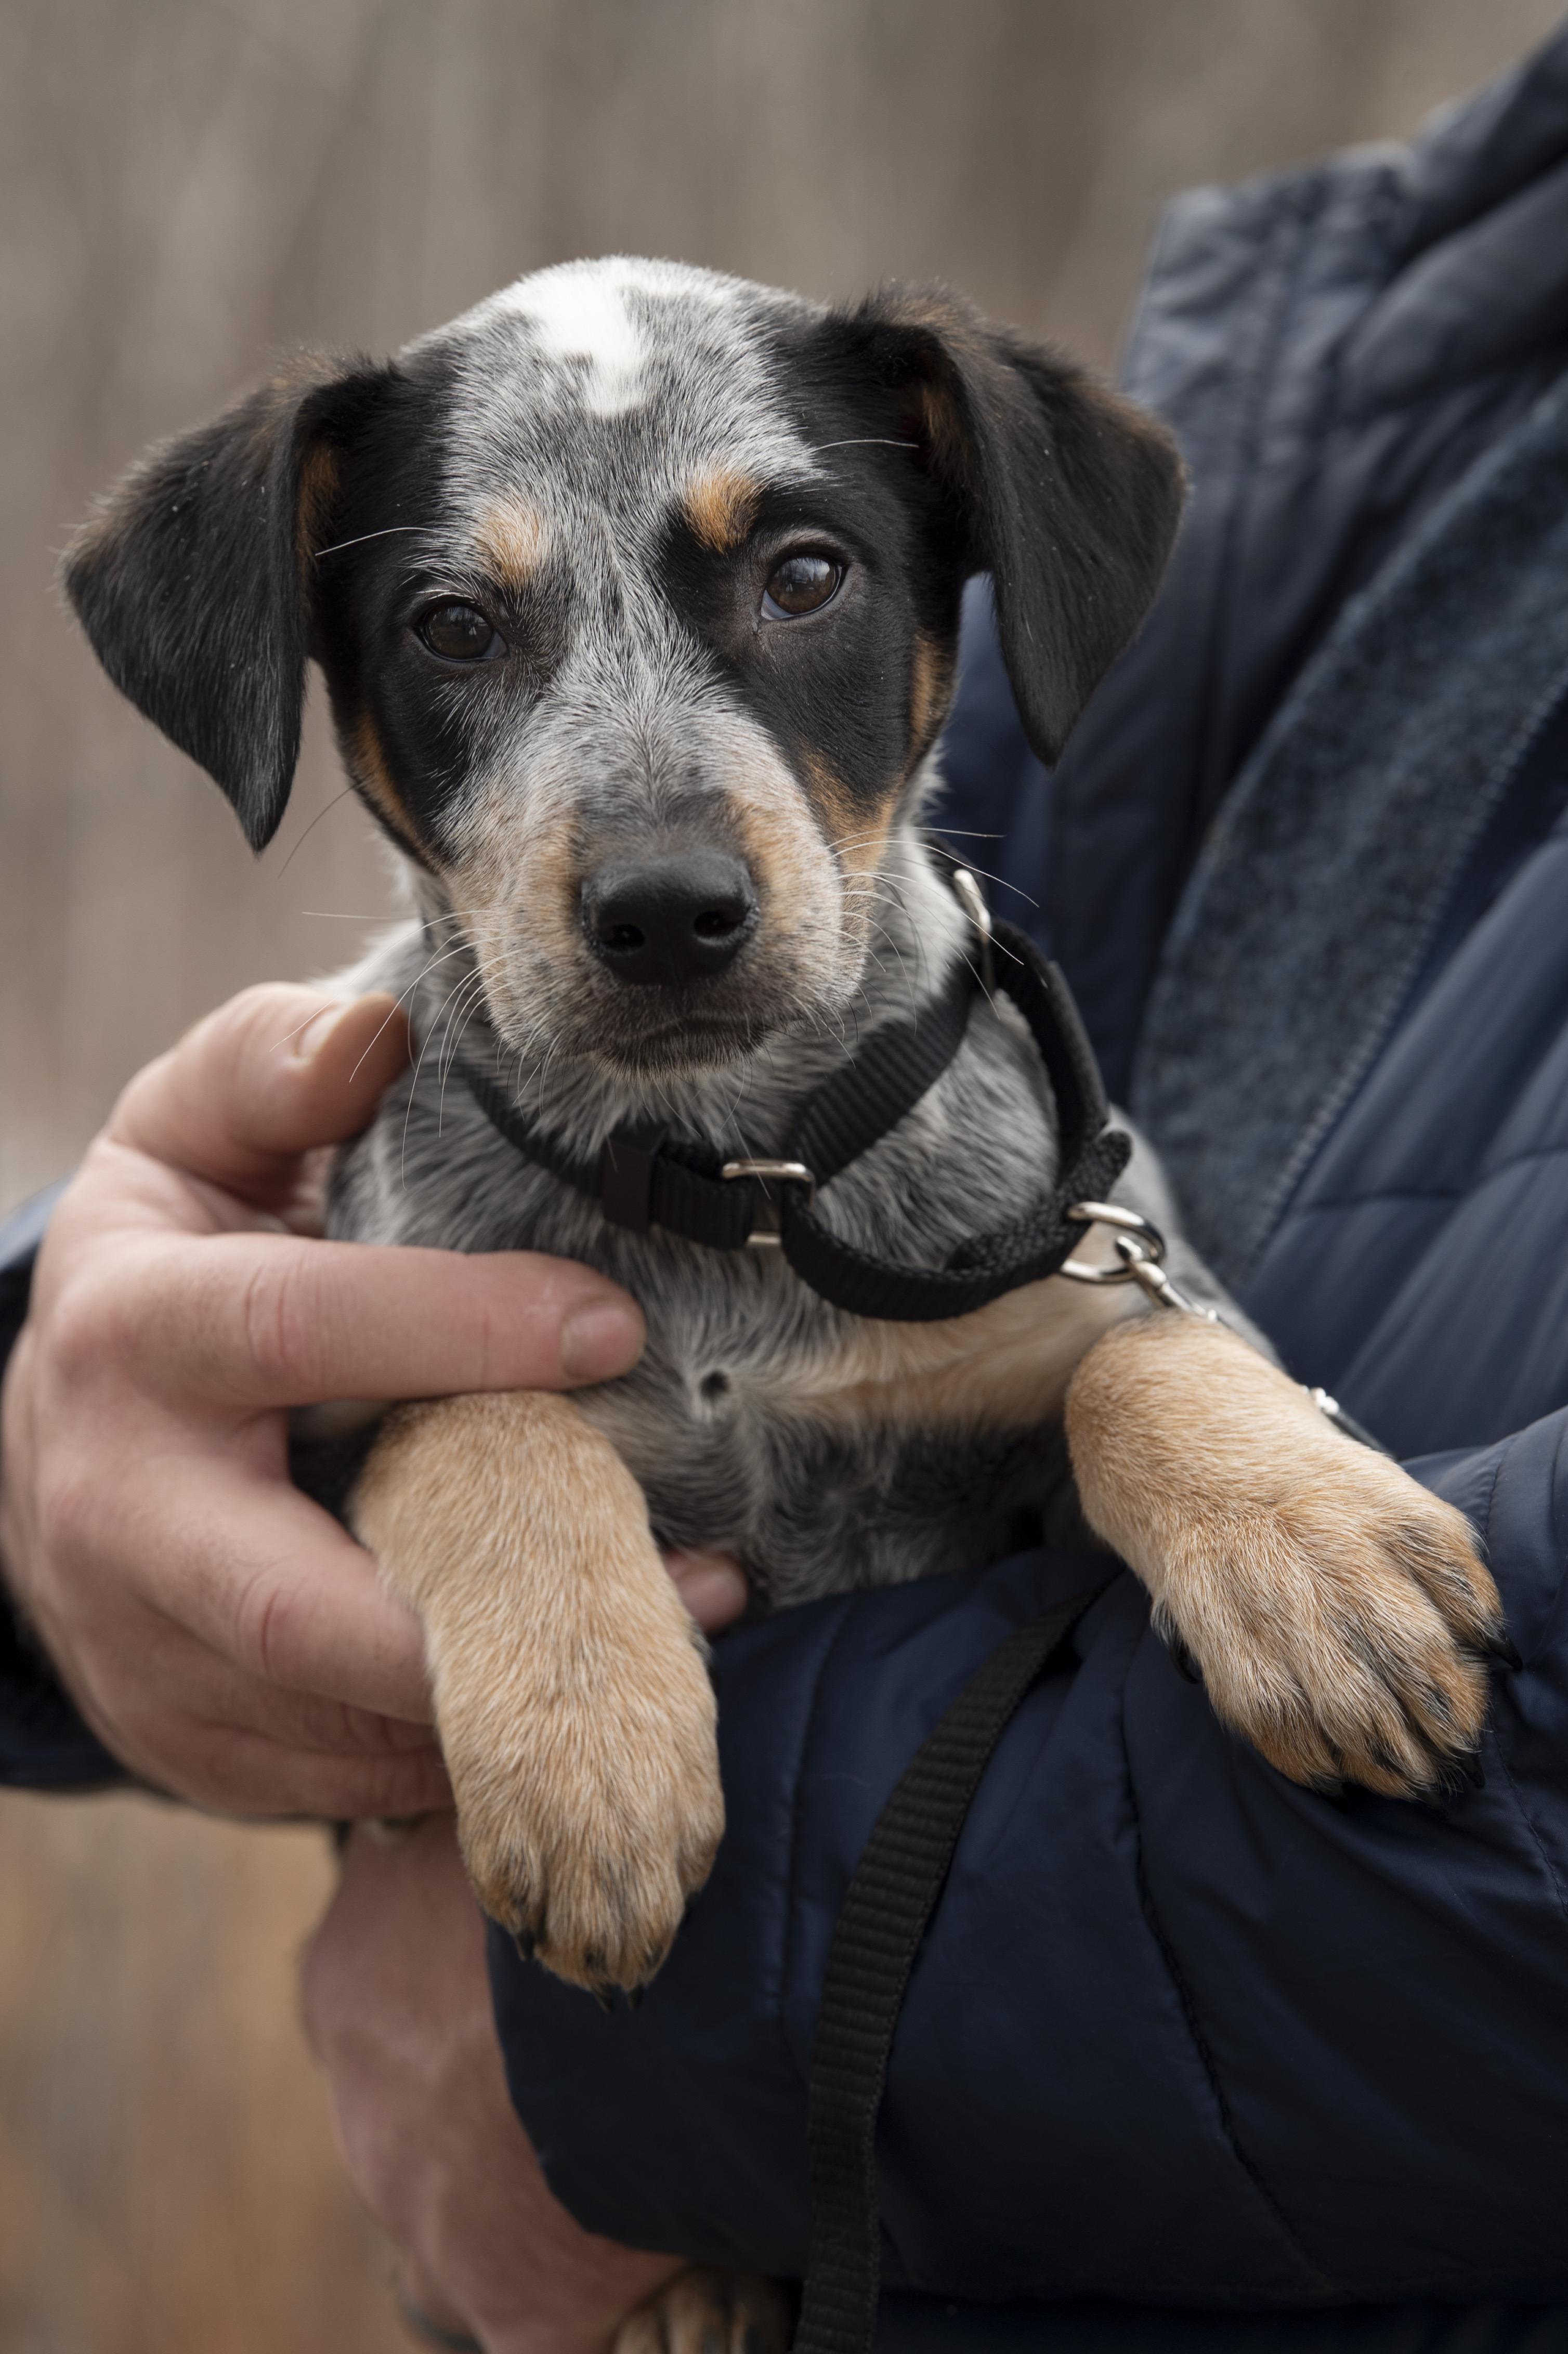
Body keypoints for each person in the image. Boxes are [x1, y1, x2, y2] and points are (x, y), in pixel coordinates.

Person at [8, 25, 1568, 2351]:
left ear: (962, 592)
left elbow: (1101, 1310)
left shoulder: (988, 1090)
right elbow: (315, 1417)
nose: (651, 846)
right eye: (462, 629)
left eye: (800, 574)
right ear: (310, 680)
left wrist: (1165, 1410)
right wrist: (59, 1422)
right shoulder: (1409, 354)